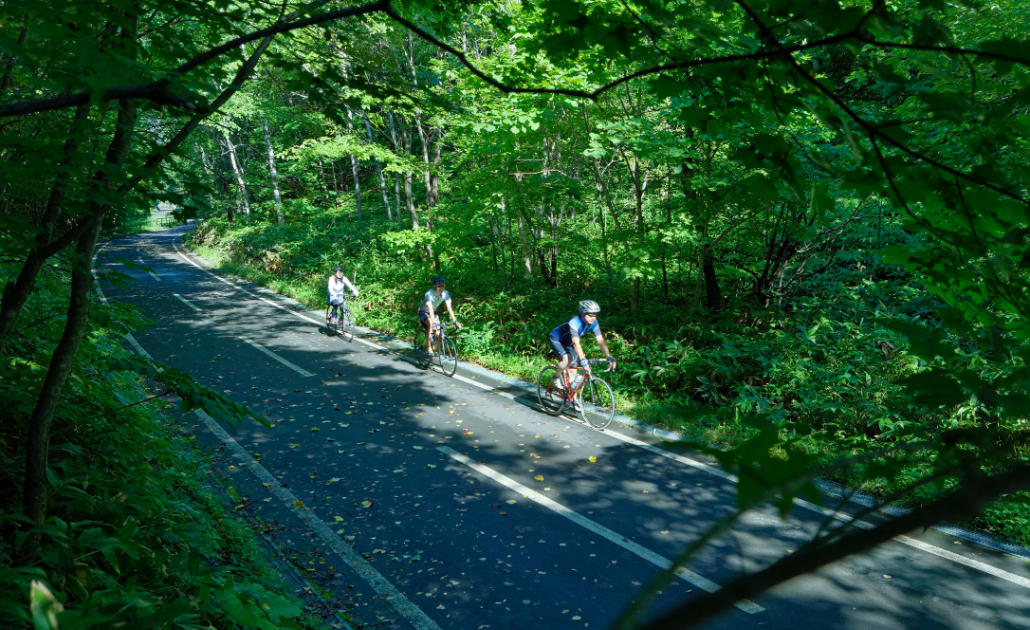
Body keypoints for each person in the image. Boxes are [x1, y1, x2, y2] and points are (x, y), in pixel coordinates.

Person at [548, 300, 617, 410]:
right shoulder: (575, 322)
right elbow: (576, 343)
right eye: (590, 315)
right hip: (557, 339)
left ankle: (573, 400)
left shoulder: (594, 323)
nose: (593, 317)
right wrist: (583, 359)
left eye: (595, 315)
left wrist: (608, 356)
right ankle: (556, 377)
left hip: (569, 343)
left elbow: (600, 340)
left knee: (573, 373)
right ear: (583, 313)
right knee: (567, 359)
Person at [419, 275, 460, 355]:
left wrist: (455, 321)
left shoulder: (445, 294)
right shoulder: (429, 294)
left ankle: (433, 345)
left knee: (438, 332)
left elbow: (449, 308)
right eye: (439, 286)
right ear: (434, 286)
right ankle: (428, 347)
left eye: (443, 285)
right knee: (430, 324)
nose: (441, 288)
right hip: (423, 311)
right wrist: (433, 322)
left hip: (433, 312)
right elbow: (430, 308)